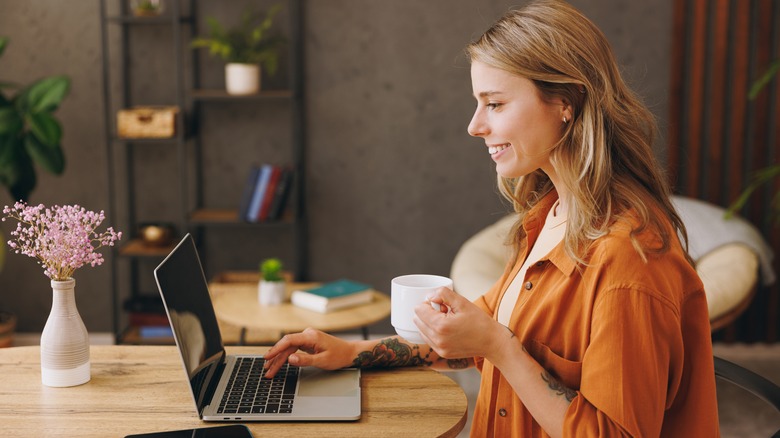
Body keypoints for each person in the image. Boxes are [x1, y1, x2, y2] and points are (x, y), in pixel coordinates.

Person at [263, 1, 720, 436]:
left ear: (567, 101)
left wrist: (498, 347)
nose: (474, 125)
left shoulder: (629, 261)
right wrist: (354, 352)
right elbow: (477, 337)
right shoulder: (549, 216)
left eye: (495, 103)